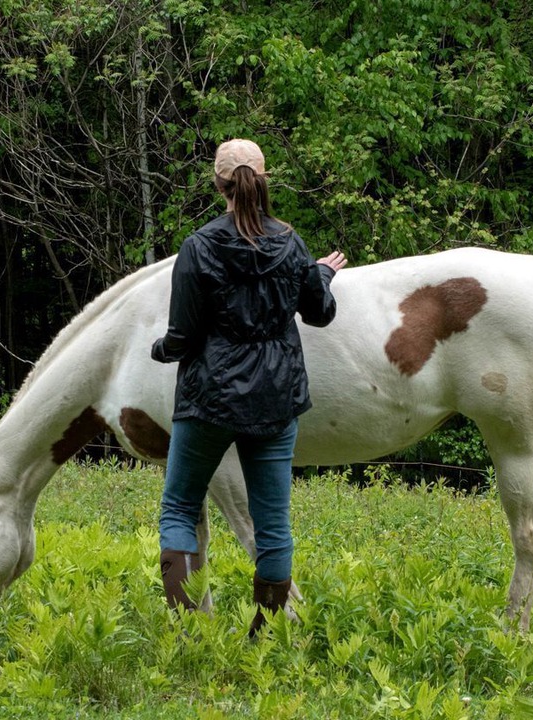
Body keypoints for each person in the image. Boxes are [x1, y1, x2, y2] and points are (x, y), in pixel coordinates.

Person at [151, 138, 346, 636]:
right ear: (263, 180)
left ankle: (188, 630)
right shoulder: (291, 243)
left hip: (208, 399)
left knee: (179, 507)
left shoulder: (198, 247)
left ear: (218, 184)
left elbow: (182, 336)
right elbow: (319, 314)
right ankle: (268, 631)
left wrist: (159, 350)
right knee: (273, 522)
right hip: (276, 398)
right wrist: (321, 274)